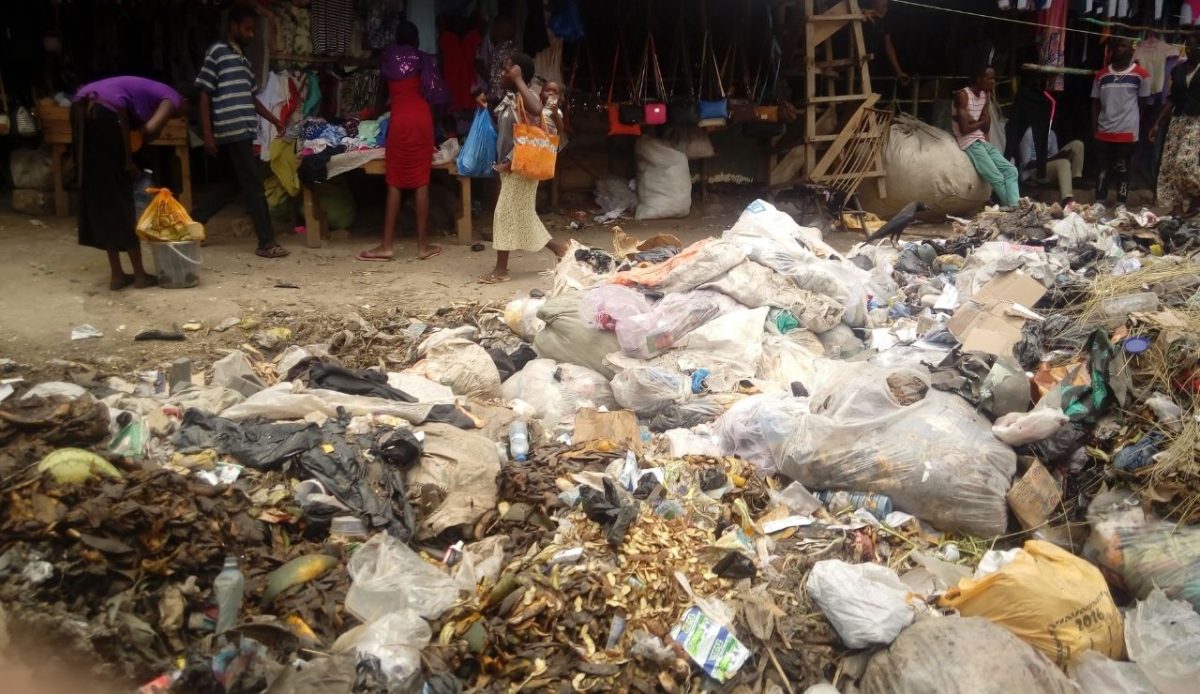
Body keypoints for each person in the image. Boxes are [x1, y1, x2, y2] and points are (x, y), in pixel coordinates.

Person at [194, 4, 289, 258]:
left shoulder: (243, 60)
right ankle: (266, 242)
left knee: (233, 184)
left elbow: (251, 98)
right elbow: (203, 93)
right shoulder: (217, 53)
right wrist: (208, 134)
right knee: (254, 186)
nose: (250, 35)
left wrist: (274, 119)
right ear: (233, 26)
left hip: (244, 130)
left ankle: (192, 220)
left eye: (252, 31)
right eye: (247, 29)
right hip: (231, 130)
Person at [71, 76, 184, 290]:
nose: (178, 115)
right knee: (121, 198)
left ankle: (117, 274)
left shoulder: (144, 92)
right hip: (105, 113)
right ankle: (140, 275)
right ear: (185, 101)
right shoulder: (172, 97)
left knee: (101, 196)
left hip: (80, 108)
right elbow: (150, 131)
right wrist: (130, 160)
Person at [358, 21, 447, 261]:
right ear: (416, 39)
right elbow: (436, 96)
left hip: (398, 123)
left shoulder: (387, 59)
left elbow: (379, 99)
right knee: (421, 182)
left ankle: (386, 246)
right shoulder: (424, 59)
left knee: (394, 182)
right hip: (421, 122)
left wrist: (373, 116)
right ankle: (423, 246)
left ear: (396, 38)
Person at [479, 53, 567, 284]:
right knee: (522, 213)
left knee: (504, 213)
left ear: (518, 73)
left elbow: (537, 110)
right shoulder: (511, 98)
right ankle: (560, 249)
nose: (502, 73)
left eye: (507, 70)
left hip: (522, 164)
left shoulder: (526, 98)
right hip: (513, 165)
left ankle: (501, 270)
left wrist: (519, 80)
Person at [1091, 36, 1151, 205]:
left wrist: (1135, 125)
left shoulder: (1141, 75)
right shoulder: (1101, 75)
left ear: (1131, 50)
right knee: (1102, 168)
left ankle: (1121, 203)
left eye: (1124, 46)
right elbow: (1095, 104)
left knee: (1123, 167)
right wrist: (1094, 130)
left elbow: (1143, 103)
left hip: (1127, 131)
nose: (1119, 49)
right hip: (1104, 130)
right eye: (1117, 46)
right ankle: (1099, 201)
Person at [954, 65, 1019, 207]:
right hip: (969, 143)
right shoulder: (963, 95)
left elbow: (987, 126)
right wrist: (980, 122)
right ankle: (1016, 210)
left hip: (981, 141)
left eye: (994, 78)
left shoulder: (985, 95)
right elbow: (964, 129)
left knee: (1011, 170)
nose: (993, 81)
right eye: (990, 78)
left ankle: (1016, 207)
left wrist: (976, 121)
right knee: (997, 177)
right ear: (979, 79)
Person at [1150, 36, 1200, 216]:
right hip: (1177, 119)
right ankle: (1177, 206)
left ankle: (1196, 198)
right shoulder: (1178, 70)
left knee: (1184, 163)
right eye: (1187, 46)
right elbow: (1171, 98)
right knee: (1169, 165)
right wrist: (1157, 123)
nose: (1188, 50)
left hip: (1196, 120)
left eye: (1193, 46)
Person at [1018, 126, 1085, 206]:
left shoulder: (1051, 133)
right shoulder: (1029, 133)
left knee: (1078, 144)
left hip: (1049, 167)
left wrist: (1058, 156)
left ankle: (1075, 179)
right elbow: (1027, 164)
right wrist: (1056, 157)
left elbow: (1055, 157)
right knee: (1064, 162)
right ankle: (1067, 200)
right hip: (1035, 172)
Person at [863, 0, 910, 86]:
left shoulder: (884, 22)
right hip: (859, 60)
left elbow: (888, 45)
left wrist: (899, 71)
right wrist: (863, 12)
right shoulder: (863, 16)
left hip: (875, 64)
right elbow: (849, 11)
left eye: (886, 4)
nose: (885, 4)